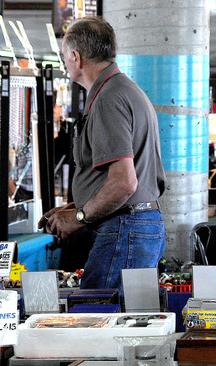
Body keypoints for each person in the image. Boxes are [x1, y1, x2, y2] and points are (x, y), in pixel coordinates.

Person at [39, 17, 167, 289]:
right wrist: (75, 208)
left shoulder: (110, 98)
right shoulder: (120, 90)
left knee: (95, 315)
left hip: (125, 226)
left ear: (75, 57)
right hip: (133, 225)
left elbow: (124, 182)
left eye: (64, 56)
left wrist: (79, 218)